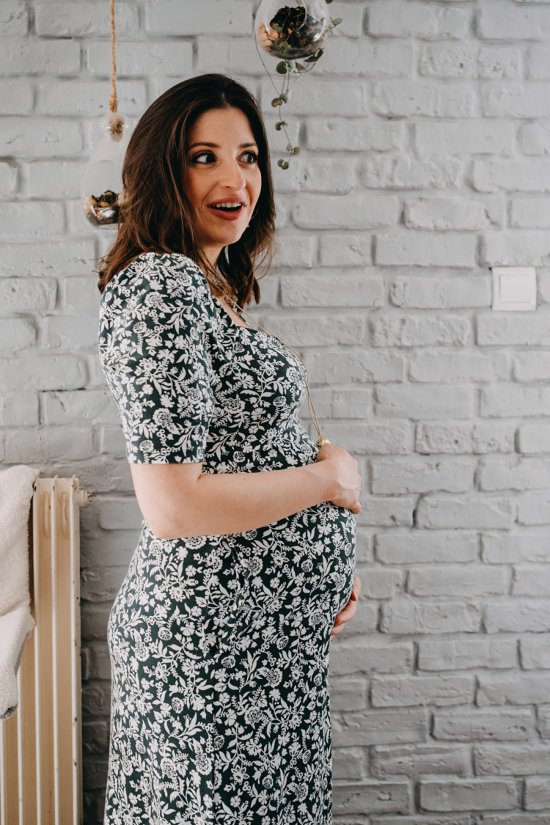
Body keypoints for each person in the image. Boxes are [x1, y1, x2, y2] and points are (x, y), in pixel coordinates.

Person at [97, 73, 362, 825]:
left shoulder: (209, 289)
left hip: (258, 654)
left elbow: (244, 453)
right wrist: (325, 482)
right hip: (212, 658)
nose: (234, 178)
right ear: (163, 171)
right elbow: (174, 505)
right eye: (203, 157)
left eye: (247, 157)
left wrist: (327, 553)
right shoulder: (161, 286)